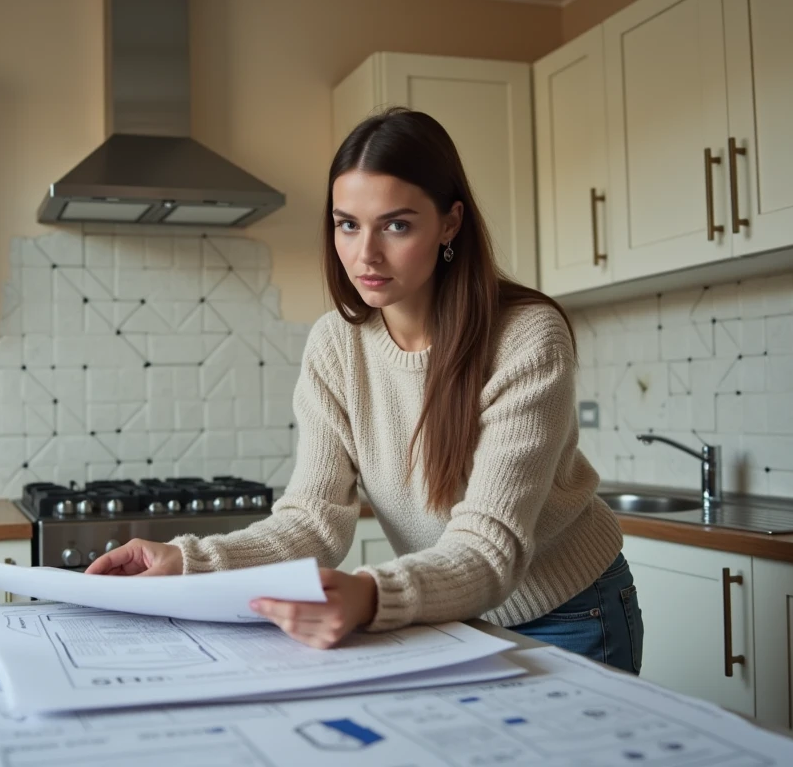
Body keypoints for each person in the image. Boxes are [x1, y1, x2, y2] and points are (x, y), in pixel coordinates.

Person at [87, 107, 644, 674]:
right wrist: (187, 560)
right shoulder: (336, 344)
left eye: (396, 225)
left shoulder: (526, 336)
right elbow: (314, 521)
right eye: (347, 224)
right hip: (454, 618)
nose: (364, 254)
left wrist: (371, 596)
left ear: (450, 224)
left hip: (570, 616)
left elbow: (489, 545)